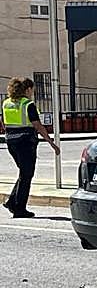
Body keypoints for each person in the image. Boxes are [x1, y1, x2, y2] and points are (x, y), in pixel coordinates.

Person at [3, 77, 60, 219]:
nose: (32, 93)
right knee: (27, 174)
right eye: (32, 90)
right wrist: (51, 142)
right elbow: (38, 125)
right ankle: (19, 208)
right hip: (26, 143)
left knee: (24, 173)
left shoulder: (6, 103)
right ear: (27, 89)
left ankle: (12, 202)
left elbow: (3, 122)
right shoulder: (28, 104)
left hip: (11, 142)